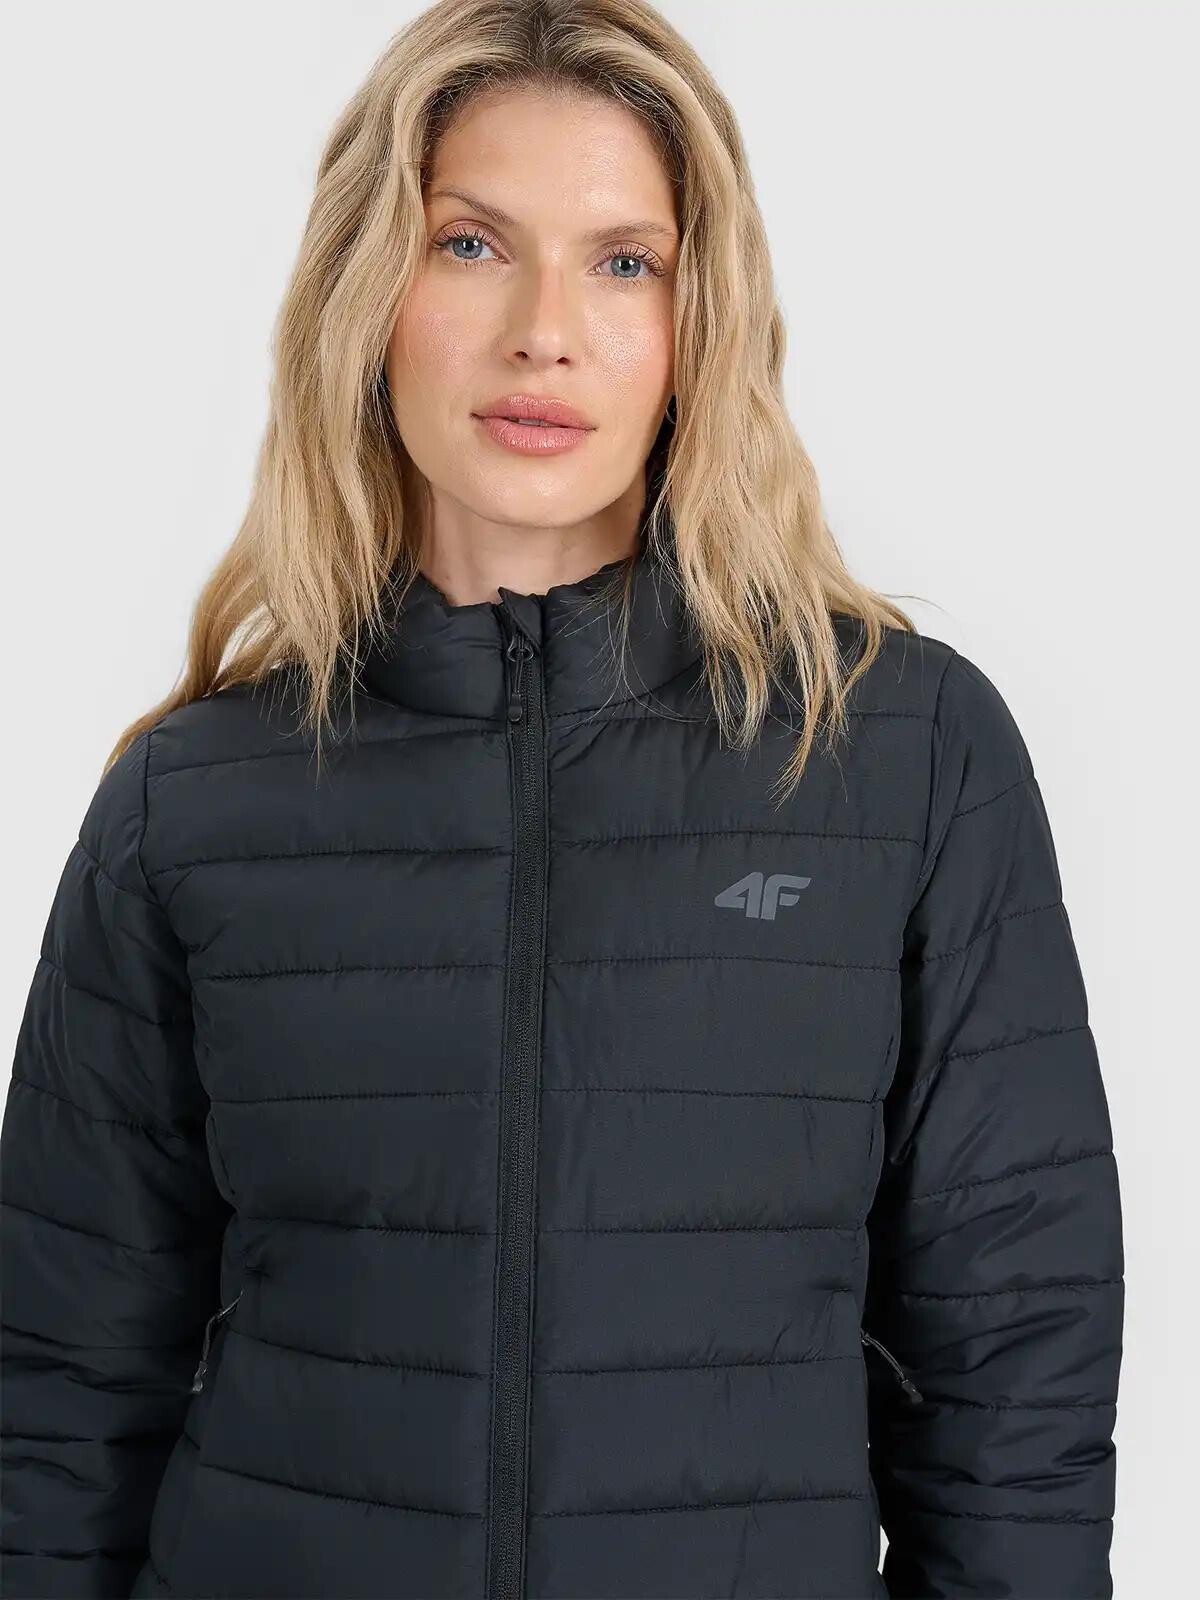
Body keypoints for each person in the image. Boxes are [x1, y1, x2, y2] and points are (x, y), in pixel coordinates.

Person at [0, 1, 1124, 1597]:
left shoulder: (901, 754)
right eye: (470, 245)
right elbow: (58, 1392)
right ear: (368, 293)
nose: (545, 330)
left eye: (623, 262)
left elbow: (1013, 1370)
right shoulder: (191, 801)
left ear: (698, 321)